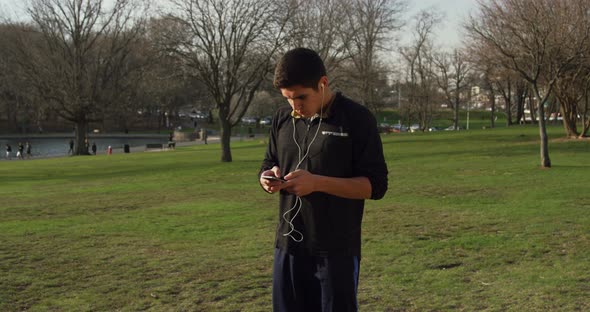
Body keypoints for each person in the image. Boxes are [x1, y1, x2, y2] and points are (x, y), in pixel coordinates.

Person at [259, 48, 388, 312]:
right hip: (288, 246)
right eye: (288, 99)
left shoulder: (356, 119)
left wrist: (317, 183)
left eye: (301, 97)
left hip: (336, 251)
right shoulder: (283, 119)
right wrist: (267, 177)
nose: (295, 106)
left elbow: (376, 186)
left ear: (323, 84)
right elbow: (269, 161)